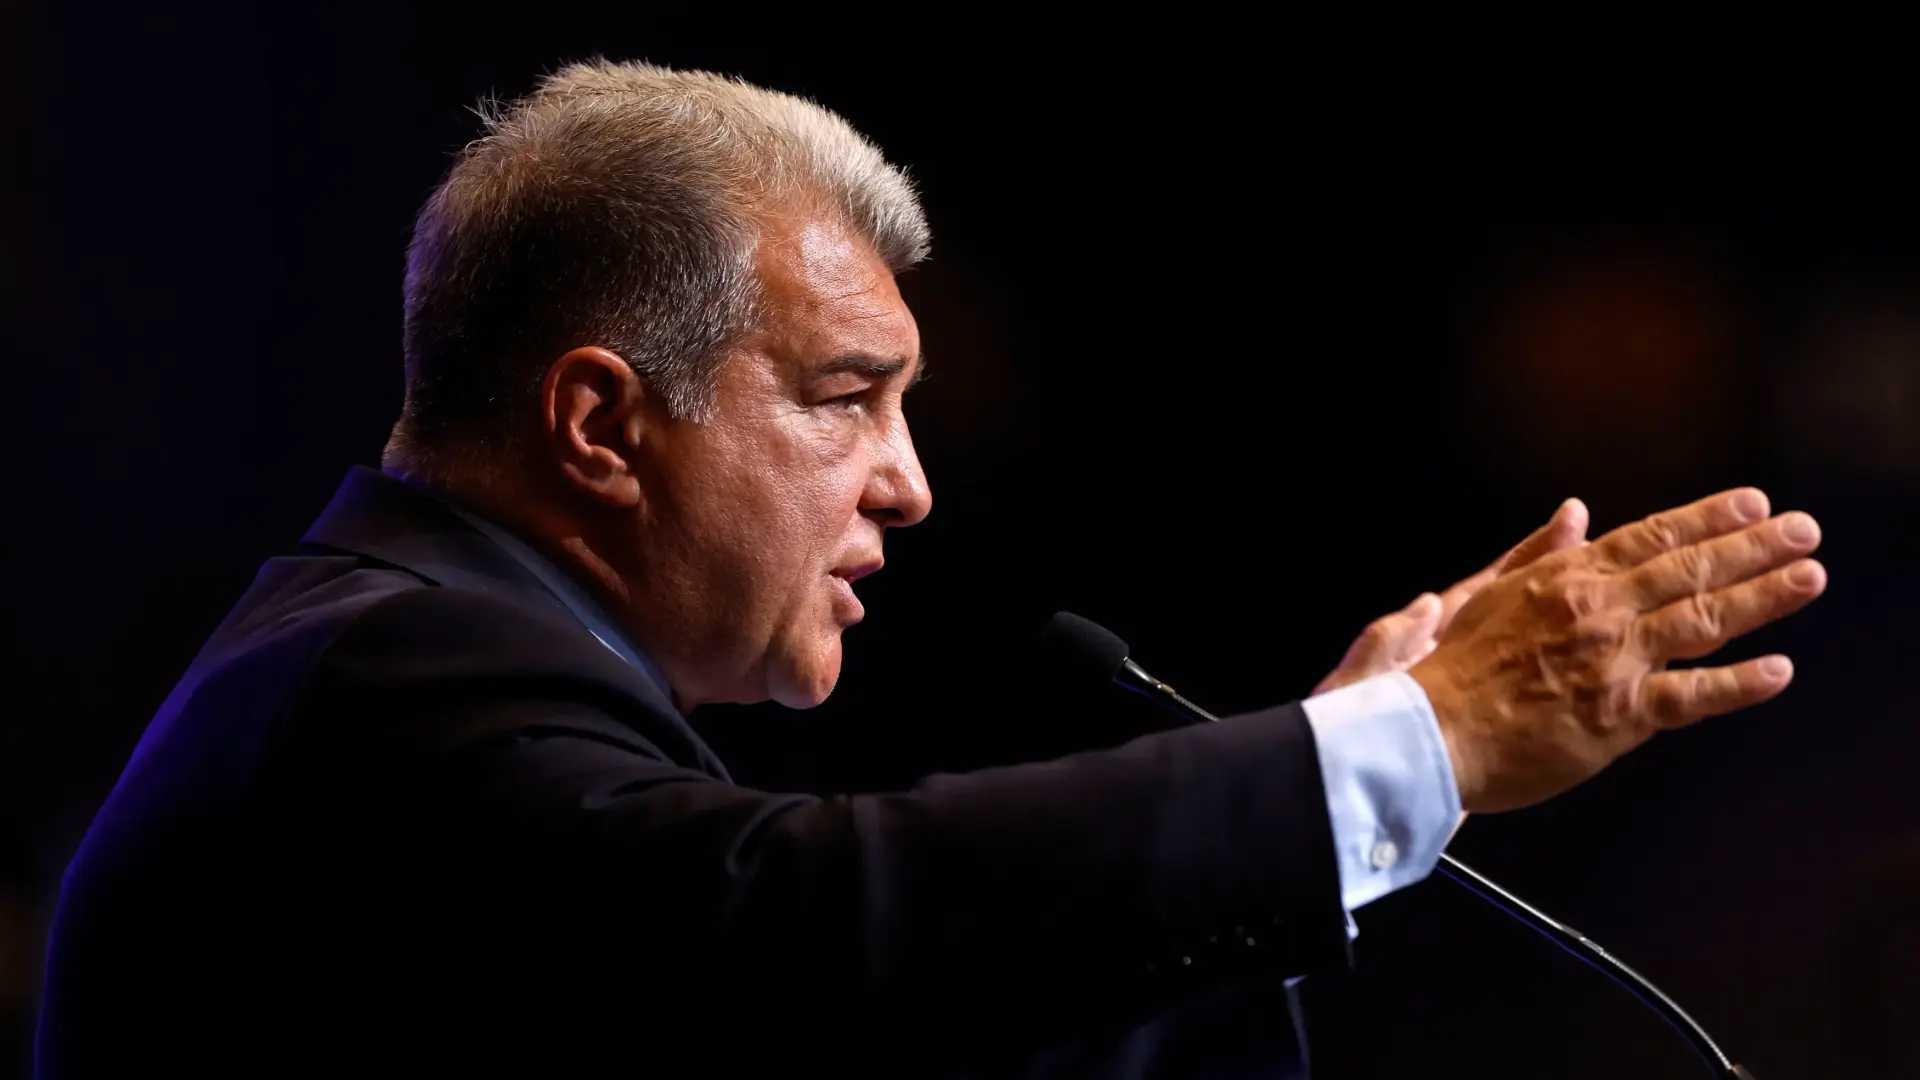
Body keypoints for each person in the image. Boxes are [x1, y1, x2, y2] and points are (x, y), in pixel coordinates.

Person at [34, 61, 1828, 1079]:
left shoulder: (430, 667)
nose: (907, 484)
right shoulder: (387, 673)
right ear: (600, 423)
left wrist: (1352, 784)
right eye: (845, 399)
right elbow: (810, 926)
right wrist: (1397, 751)